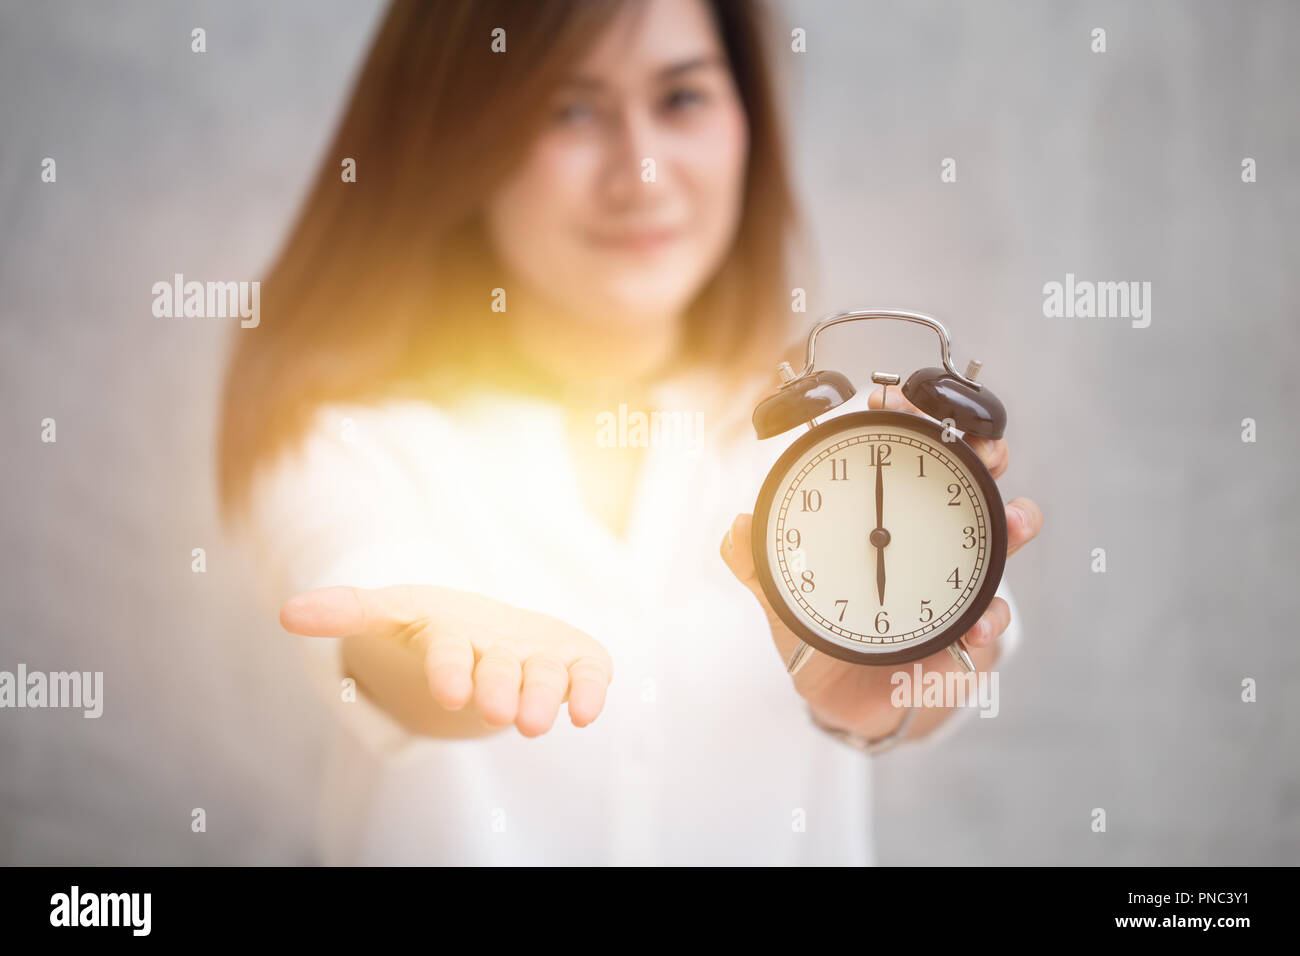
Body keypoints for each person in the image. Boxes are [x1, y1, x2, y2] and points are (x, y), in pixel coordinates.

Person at [218, 0, 1044, 865]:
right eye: (568, 109)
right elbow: (370, 607)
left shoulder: (849, 453)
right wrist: (439, 662)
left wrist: (896, 693)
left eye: (682, 98)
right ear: (461, 135)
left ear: (745, 118)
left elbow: (964, 644)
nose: (641, 172)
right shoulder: (352, 440)